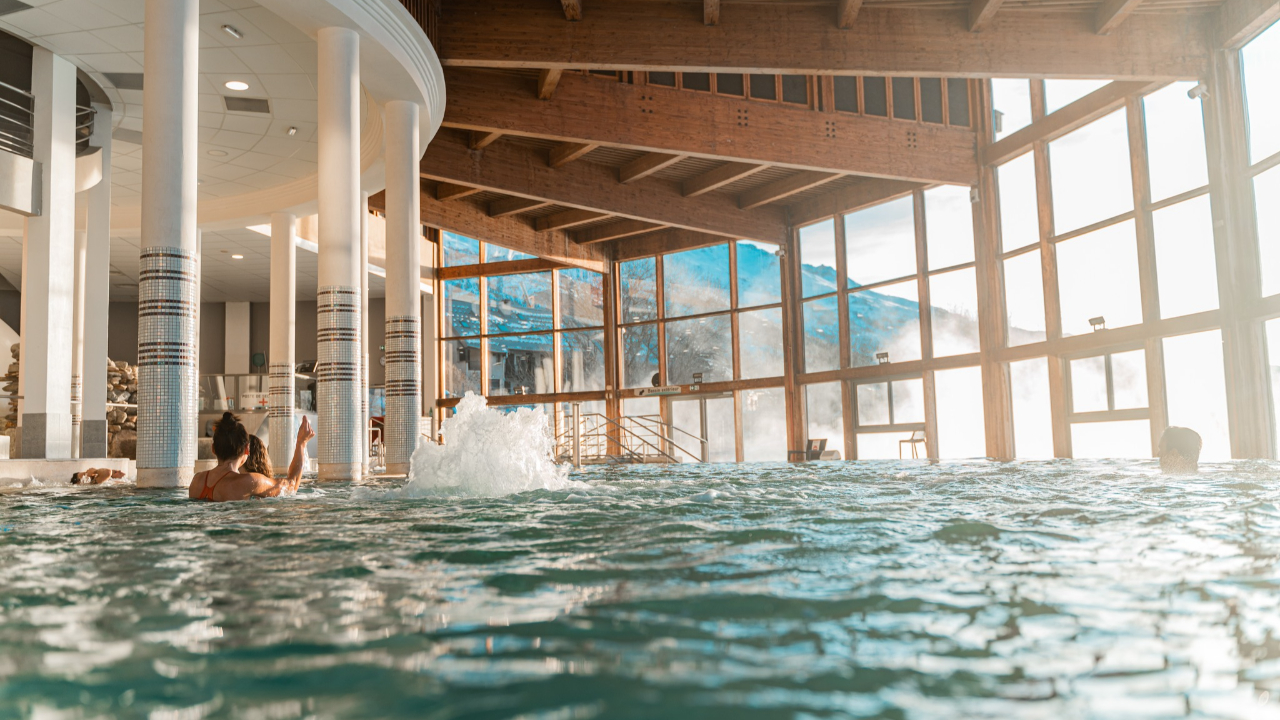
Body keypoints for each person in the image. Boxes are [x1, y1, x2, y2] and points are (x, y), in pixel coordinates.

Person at [189, 412, 314, 502]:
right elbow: (291, 486)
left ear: (213, 449)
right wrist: (301, 443)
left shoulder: (197, 481)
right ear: (247, 449)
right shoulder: (249, 481)